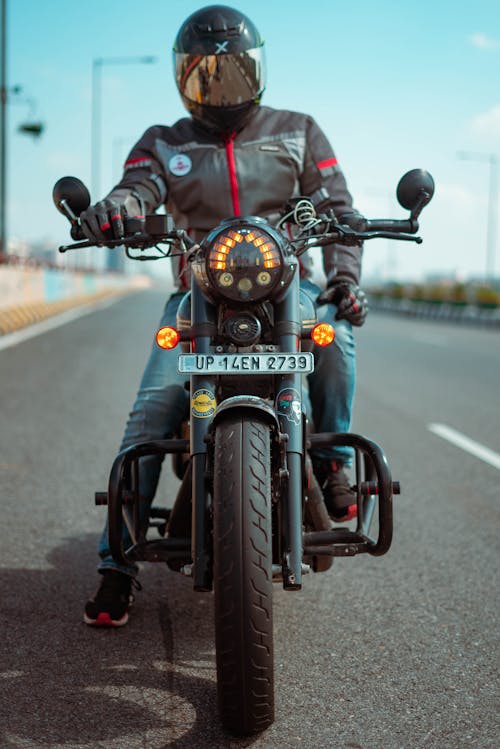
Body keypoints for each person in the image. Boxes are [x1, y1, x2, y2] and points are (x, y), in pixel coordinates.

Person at [82, 4, 368, 627]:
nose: (221, 84)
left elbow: (339, 209)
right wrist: (115, 209)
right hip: (198, 296)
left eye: (234, 70)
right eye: (207, 73)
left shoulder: (299, 130)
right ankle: (115, 566)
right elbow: (137, 189)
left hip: (287, 284)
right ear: (184, 76)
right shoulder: (165, 141)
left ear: (257, 68)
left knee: (336, 339)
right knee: (154, 407)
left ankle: (332, 463)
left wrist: (344, 277)